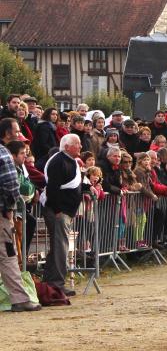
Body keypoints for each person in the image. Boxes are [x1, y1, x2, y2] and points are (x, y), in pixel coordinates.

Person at [42, 133, 86, 297]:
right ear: (67, 147)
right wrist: (58, 210)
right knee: (61, 248)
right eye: (78, 144)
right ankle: (57, 284)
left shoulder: (70, 161)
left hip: (64, 211)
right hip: (58, 211)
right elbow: (53, 188)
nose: (81, 146)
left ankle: (51, 282)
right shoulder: (58, 161)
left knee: (58, 248)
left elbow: (75, 183)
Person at [0, 135, 41, 311]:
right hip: (1, 215)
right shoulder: (3, 154)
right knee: (8, 255)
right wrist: (10, 206)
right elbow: (11, 185)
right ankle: (19, 299)